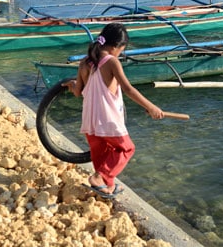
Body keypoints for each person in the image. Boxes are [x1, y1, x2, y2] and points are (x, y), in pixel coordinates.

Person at [65, 22, 164, 198]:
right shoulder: (111, 62)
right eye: (122, 49)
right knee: (127, 149)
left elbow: (77, 92)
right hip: (108, 119)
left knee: (102, 153)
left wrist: (72, 85)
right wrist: (151, 106)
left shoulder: (84, 63)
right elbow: (128, 89)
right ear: (117, 46)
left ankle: (107, 186)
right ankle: (99, 178)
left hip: (90, 119)